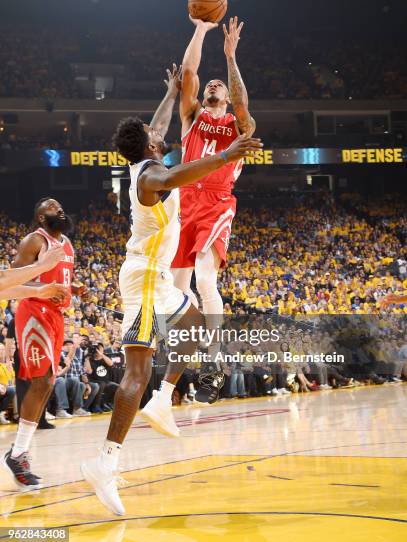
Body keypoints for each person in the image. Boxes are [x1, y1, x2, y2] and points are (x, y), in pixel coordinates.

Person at [81, 65, 261, 516]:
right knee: (135, 374)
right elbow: (178, 177)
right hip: (141, 280)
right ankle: (105, 463)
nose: (157, 129)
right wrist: (225, 155)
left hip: (157, 279)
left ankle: (164, 400)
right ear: (151, 146)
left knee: (197, 328)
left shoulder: (149, 153)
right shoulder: (149, 177)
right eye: (152, 132)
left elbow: (160, 122)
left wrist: (169, 90)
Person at [171, 16, 256, 402]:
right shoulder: (192, 118)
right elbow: (189, 71)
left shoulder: (239, 126)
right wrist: (201, 31)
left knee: (206, 281)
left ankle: (214, 356)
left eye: (217, 84)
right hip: (184, 201)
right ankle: (188, 358)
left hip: (217, 202)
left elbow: (241, 101)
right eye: (210, 84)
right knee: (175, 292)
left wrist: (230, 56)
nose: (212, 84)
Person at [1, 198, 84, 491]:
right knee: (42, 380)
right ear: (40, 216)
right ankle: (18, 453)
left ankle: (19, 452)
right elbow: (10, 282)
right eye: (53, 208)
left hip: (56, 316)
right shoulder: (34, 241)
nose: (60, 210)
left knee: (47, 383)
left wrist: (73, 288)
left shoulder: (68, 244)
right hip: (34, 312)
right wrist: (45, 290)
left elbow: (58, 279)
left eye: (62, 207)